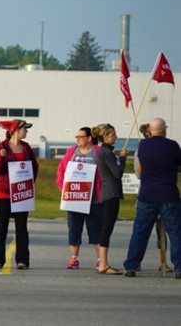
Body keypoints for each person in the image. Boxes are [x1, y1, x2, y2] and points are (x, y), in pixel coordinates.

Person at [124, 118, 181, 279]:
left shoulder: (143, 145)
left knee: (140, 231)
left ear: (151, 130)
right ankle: (179, 267)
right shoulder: (172, 145)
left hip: (147, 194)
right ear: (164, 130)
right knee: (176, 232)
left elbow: (140, 167)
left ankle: (131, 266)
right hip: (168, 194)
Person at [0, 119, 38, 270]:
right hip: (3, 193)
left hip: (22, 193)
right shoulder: (2, 146)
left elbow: (34, 166)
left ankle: (22, 260)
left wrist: (30, 183)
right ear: (16, 130)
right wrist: (3, 157)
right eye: (25, 129)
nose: (27, 131)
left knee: (21, 227)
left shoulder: (26, 148)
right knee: (1, 226)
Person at [55, 127, 103, 269]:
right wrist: (63, 188)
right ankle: (74, 258)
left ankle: (101, 259)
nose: (78, 139)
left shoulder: (98, 152)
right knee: (74, 229)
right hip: (75, 199)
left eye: (81, 137)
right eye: (76, 137)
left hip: (94, 199)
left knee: (96, 230)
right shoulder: (72, 152)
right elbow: (61, 170)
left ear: (89, 138)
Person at [134, 123, 172, 273]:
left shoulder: (166, 148)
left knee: (162, 230)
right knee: (141, 230)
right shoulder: (140, 150)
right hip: (147, 192)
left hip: (161, 192)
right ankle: (135, 262)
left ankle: (163, 262)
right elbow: (138, 173)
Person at [91, 123, 127, 275]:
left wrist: (118, 157)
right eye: (113, 135)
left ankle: (103, 262)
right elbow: (117, 174)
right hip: (111, 193)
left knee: (106, 228)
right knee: (107, 228)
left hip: (107, 193)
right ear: (105, 137)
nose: (116, 137)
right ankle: (103, 264)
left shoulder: (104, 152)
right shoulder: (106, 152)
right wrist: (123, 159)